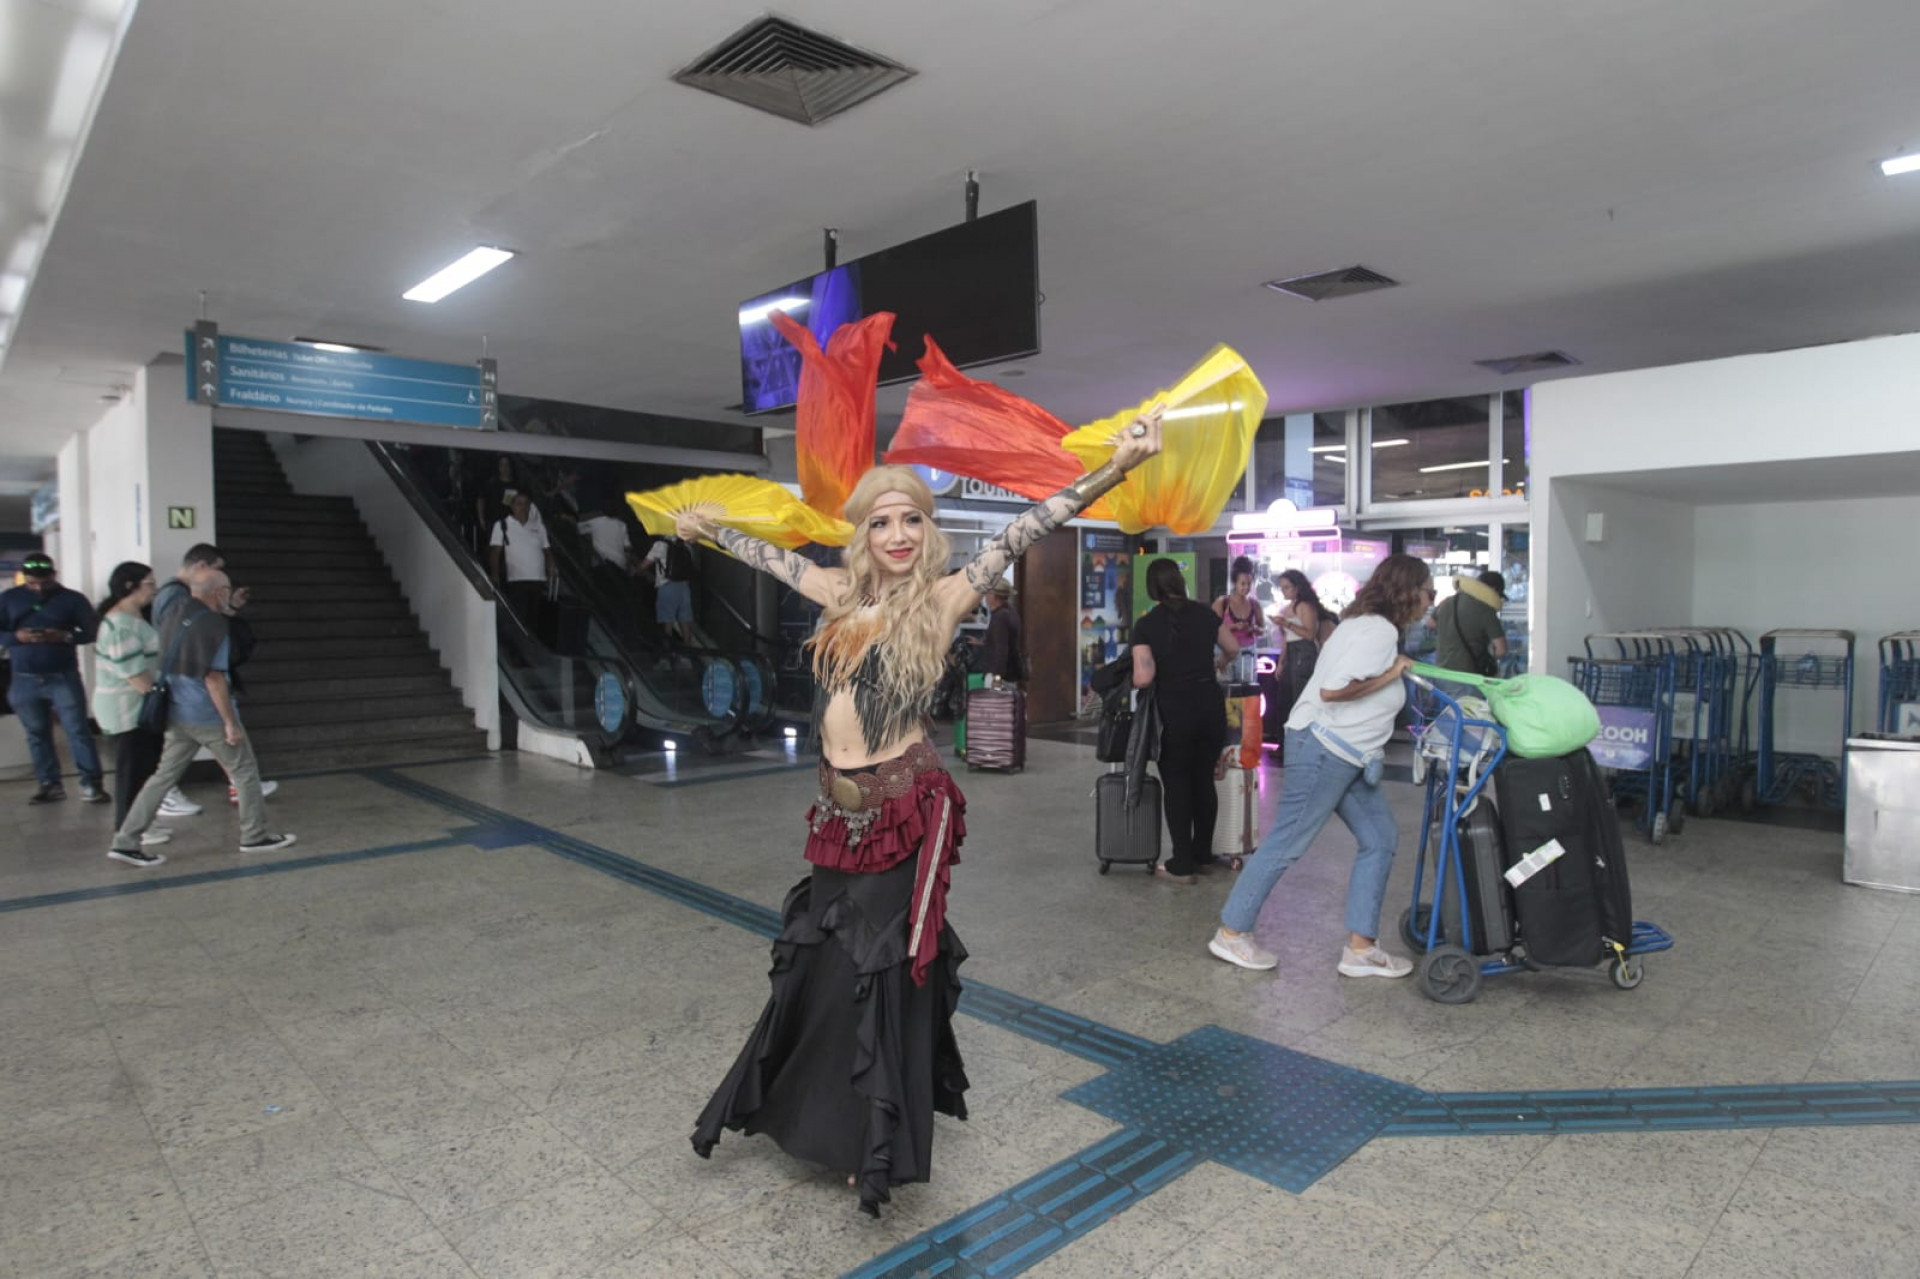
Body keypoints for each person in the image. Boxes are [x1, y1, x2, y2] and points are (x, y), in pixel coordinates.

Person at [688, 409, 1166, 1217]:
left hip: (904, 808)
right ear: (864, 533)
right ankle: (805, 1109)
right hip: (835, 813)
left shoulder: (945, 597)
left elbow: (1029, 526)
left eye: (913, 518)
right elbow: (774, 562)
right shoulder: (839, 592)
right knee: (821, 963)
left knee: (875, 969)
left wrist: (1115, 470)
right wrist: (710, 532)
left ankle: (868, 1141)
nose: (900, 532)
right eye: (884, 521)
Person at [1209, 554, 1434, 978]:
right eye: (1428, 592)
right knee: (1287, 842)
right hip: (1325, 750)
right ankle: (1233, 932)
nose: (1430, 601)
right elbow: (1333, 691)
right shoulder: (1379, 631)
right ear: (1408, 592)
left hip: (1346, 754)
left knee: (1380, 837)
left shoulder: (1360, 624)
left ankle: (1361, 948)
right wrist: (1393, 675)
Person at [107, 568, 296, 867]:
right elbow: (214, 679)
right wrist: (229, 723)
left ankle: (125, 840)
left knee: (162, 777)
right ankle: (254, 836)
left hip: (176, 711)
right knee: (245, 771)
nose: (228, 596)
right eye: (226, 591)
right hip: (207, 714)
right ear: (218, 592)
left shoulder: (172, 611)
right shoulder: (213, 625)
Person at [1132, 558, 1241, 883]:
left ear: (1153, 588)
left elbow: (1143, 677)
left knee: (1177, 783)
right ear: (1179, 582)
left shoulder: (1147, 624)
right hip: (1209, 705)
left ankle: (1182, 863)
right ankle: (1202, 854)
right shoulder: (1205, 614)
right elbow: (1232, 646)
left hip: (1173, 710)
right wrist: (1218, 662)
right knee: (1204, 780)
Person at [1, 553, 109, 805]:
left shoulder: (72, 600)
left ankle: (91, 784)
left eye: (44, 583)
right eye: (32, 584)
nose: (38, 588)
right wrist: (18, 637)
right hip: (24, 677)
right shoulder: (9, 599)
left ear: (54, 575)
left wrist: (64, 636)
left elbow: (92, 631)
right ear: (24, 578)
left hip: (63, 676)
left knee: (78, 731)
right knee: (36, 733)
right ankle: (49, 784)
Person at [91, 562, 170, 841]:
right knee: (132, 772)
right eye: (149, 584)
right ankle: (127, 828)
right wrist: (160, 700)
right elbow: (135, 676)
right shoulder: (121, 626)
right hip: (128, 711)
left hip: (138, 709)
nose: (154, 589)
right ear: (130, 586)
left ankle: (141, 822)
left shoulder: (134, 619)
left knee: (145, 767)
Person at [1270, 569, 1327, 760]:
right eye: (1282, 588)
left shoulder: (1305, 606)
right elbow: (1288, 639)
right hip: (1293, 651)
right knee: (1284, 701)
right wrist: (1281, 662)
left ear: (1297, 587)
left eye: (1287, 587)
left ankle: (1299, 745)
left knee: (1298, 699)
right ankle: (1285, 744)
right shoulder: (1290, 607)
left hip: (1304, 653)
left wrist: (1287, 624)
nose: (1284, 591)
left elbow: (1309, 634)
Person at [489, 492, 555, 634]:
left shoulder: (538, 526)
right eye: (519, 503)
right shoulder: (502, 525)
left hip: (538, 579)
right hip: (517, 580)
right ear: (512, 506)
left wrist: (551, 566)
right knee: (519, 619)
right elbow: (495, 552)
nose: (523, 507)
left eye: (526, 504)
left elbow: (547, 549)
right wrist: (495, 575)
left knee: (534, 620)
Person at [1433, 570, 1509, 678]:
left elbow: (1430, 623)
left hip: (1441, 672)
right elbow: (1501, 650)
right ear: (1494, 589)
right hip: (1467, 676)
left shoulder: (1448, 601)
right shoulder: (1485, 609)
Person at [644, 529, 697, 646]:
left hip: (667, 585)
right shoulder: (687, 546)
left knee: (667, 621)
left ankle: (667, 651)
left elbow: (645, 564)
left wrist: (635, 570)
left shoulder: (660, 545)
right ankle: (688, 652)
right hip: (684, 587)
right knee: (685, 620)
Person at [1212, 555, 1267, 656]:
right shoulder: (1222, 603)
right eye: (1243, 584)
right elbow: (1212, 630)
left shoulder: (1255, 604)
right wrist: (1233, 627)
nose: (1246, 587)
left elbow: (1263, 629)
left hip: (1248, 652)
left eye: (1249, 584)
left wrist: (1254, 629)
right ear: (1235, 583)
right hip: (1224, 652)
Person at [970, 579, 1024, 682]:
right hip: (1009, 673)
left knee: (995, 698)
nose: (985, 597)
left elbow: (1001, 651)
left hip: (998, 676)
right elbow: (1004, 642)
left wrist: (996, 681)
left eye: (988, 593)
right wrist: (983, 643)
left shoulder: (1000, 618)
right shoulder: (1010, 612)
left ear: (994, 596)